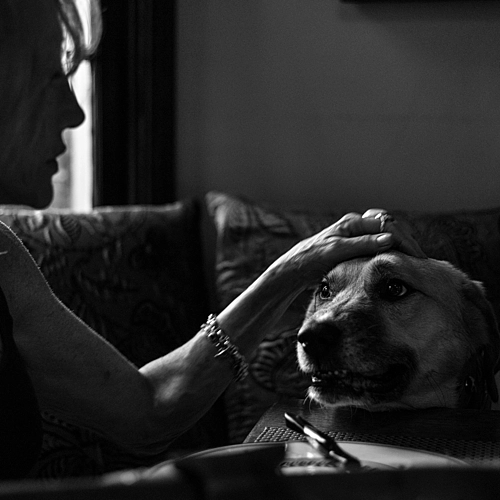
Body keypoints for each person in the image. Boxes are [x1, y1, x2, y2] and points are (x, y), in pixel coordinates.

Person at [0, 0, 425, 479]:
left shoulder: (4, 259)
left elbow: (149, 411)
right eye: (51, 78)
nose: (76, 113)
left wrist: (294, 269)